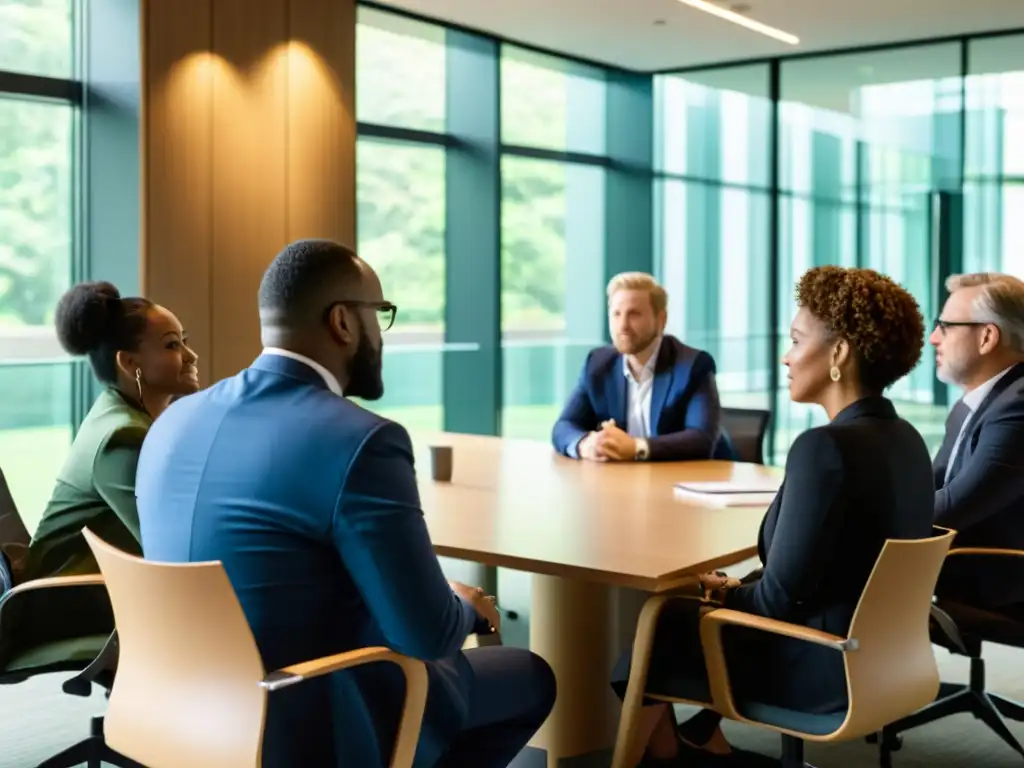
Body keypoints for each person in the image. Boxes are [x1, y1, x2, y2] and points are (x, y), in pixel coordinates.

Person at [135, 239, 556, 768]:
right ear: (343, 322)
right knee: (530, 676)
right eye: (380, 315)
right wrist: (469, 608)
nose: (382, 334)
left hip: (182, 705)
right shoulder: (362, 439)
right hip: (304, 717)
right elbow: (423, 633)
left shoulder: (174, 420)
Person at [610, 266, 935, 767]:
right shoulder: (906, 440)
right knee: (678, 617)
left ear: (839, 355)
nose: (786, 356)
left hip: (821, 663)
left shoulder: (825, 449)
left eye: (797, 340)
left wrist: (722, 593)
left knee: (660, 623)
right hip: (880, 656)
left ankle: (664, 756)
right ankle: (694, 747)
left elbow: (780, 600)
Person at [19, 281, 198, 583]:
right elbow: (170, 547)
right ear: (129, 363)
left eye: (184, 341)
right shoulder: (121, 437)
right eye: (172, 345)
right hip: (59, 605)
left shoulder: (118, 411)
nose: (191, 356)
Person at [552, 272, 731, 462]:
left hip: (698, 481)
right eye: (616, 314)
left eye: (634, 314)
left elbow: (701, 440)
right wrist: (586, 444)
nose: (623, 326)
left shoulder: (692, 366)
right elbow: (564, 426)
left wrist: (636, 447)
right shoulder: (598, 364)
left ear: (661, 320)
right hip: (629, 481)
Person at [930, 272, 1024, 614]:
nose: (933, 338)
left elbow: (954, 507)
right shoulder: (974, 402)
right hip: (963, 560)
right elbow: (932, 485)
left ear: (987, 337)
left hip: (1002, 581)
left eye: (946, 326)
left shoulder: (1018, 405)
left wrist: (863, 518)